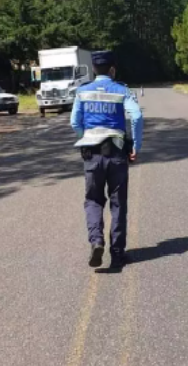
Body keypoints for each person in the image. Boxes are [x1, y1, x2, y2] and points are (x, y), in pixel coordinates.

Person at [70, 51, 143, 269]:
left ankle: (96, 241)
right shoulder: (122, 90)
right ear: (112, 69)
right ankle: (118, 254)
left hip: (92, 155)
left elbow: (75, 122)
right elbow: (137, 116)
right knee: (118, 203)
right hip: (117, 153)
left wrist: (86, 137)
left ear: (93, 69)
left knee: (93, 200)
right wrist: (136, 146)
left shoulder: (82, 92)